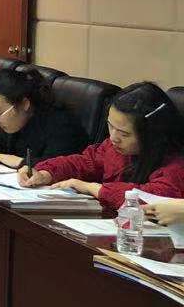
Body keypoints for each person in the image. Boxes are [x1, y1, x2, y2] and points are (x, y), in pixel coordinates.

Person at [20, 82, 184, 211]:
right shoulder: (114, 148)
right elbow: (84, 162)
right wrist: (46, 173)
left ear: (152, 134)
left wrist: (91, 188)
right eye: (110, 126)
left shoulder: (175, 165)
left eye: (124, 133)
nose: (113, 138)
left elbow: (152, 200)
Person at [0, 66, 89, 168]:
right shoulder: (17, 121)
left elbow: (57, 167)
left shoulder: (62, 126)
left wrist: (21, 162)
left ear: (24, 104)